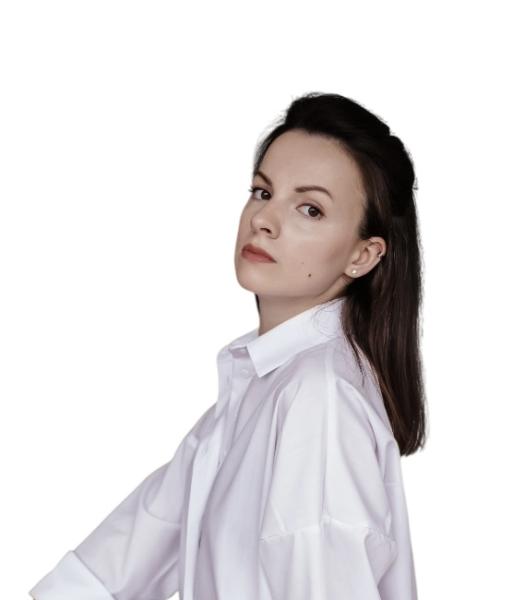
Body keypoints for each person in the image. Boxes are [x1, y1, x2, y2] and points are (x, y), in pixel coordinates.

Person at [29, 91, 426, 600]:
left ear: (363, 255)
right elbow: (129, 554)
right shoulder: (258, 385)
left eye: (310, 208)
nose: (264, 219)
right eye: (262, 192)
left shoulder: (317, 395)